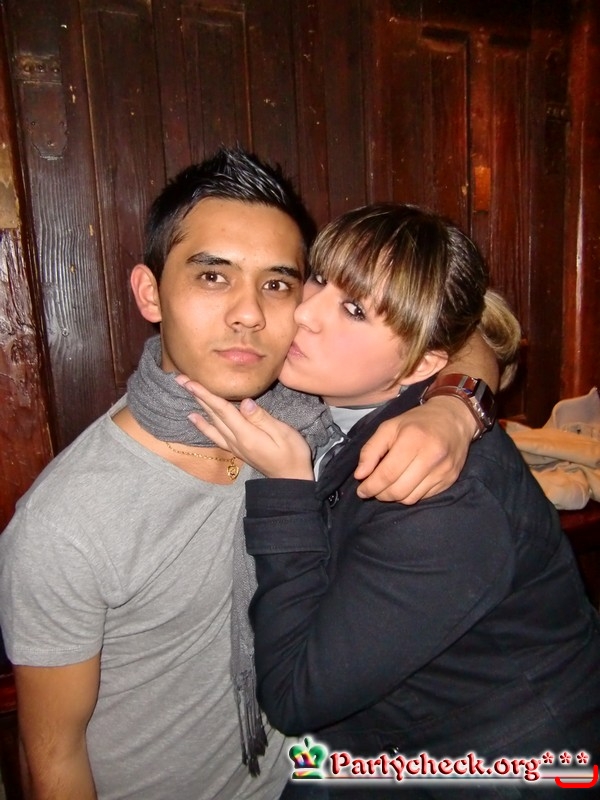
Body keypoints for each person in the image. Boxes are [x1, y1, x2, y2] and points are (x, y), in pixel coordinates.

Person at [0, 150, 498, 800]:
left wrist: (454, 408)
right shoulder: (69, 521)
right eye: (213, 277)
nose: (249, 314)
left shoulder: (309, 403)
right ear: (150, 293)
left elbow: (469, 331)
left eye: (278, 284)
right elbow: (52, 758)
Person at [180, 202, 600, 798]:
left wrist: (285, 489)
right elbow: (472, 333)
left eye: (354, 310)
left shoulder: (434, 501)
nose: (304, 313)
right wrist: (458, 399)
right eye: (318, 279)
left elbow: (294, 697)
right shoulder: (360, 397)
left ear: (424, 363)